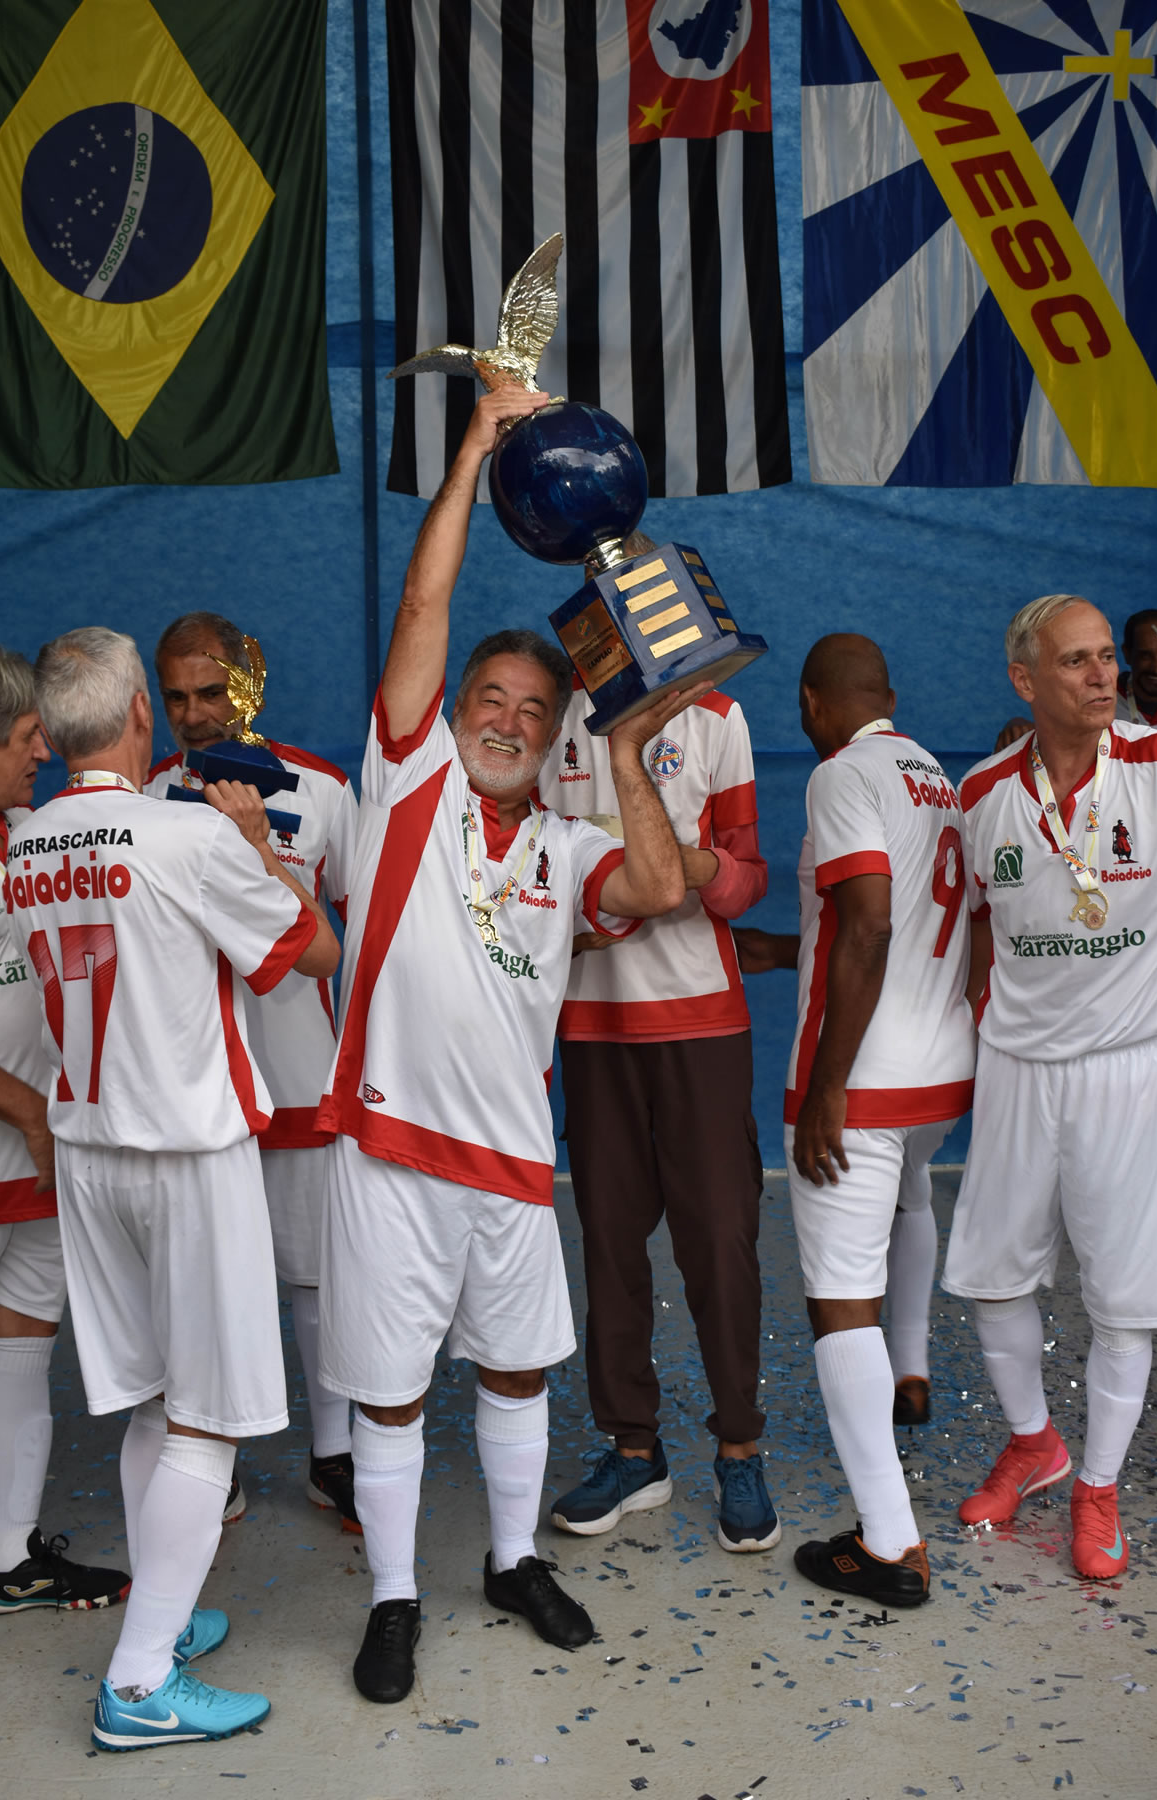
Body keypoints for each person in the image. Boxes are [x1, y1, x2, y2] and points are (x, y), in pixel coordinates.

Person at [315, 386, 697, 1705]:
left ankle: (515, 1560)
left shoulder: (568, 846)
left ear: (553, 733)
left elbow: (661, 889)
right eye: (492, 697)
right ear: (452, 709)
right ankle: (395, 1596)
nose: (510, 720)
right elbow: (423, 610)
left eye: (537, 710)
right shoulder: (407, 786)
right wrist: (477, 454)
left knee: (520, 1373)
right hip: (392, 1155)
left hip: (515, 1165)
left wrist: (628, 743)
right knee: (392, 1397)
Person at [6, 627, 338, 1749]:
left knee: (155, 1399)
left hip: (90, 1151)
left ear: (53, 731)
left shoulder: (26, 841)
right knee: (205, 1417)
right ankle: (139, 1684)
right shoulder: (190, 834)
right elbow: (316, 953)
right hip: (187, 1152)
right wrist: (257, 846)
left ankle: (165, 1616)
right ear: (141, 712)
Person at [735, 635, 975, 1608]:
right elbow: (891, 925)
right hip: (939, 1071)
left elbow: (871, 922)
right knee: (911, 1201)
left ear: (810, 702)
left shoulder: (841, 774)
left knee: (838, 1300)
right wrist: (783, 949)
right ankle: (910, 1371)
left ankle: (888, 1543)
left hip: (865, 1082)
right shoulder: (934, 777)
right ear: (889, 695)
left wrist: (828, 1084)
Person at [943, 593, 1157, 1581]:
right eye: (1077, 660)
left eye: (1107, 656)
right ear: (1024, 679)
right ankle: (1035, 1444)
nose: (1103, 674)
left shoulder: (1152, 765)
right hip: (1018, 1067)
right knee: (993, 1275)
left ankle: (1099, 1487)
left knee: (1124, 1298)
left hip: (1127, 1066)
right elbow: (973, 934)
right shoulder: (982, 792)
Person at [539, 678, 775, 1552]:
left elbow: (747, 880)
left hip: (701, 1022)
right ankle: (633, 1448)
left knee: (719, 1240)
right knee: (608, 1242)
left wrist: (694, 868)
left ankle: (739, 1447)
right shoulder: (548, 715)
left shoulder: (715, 715)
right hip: (590, 1023)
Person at [145, 612, 361, 1534]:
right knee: (198, 1288)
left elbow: (361, 940)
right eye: (176, 697)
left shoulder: (324, 790)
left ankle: (333, 1455)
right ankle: (212, 1461)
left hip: (302, 1071)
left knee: (316, 1277)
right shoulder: (144, 799)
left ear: (249, 683)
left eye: (210, 691)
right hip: (193, 1088)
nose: (194, 714)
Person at [0, 645, 132, 1618]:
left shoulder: (26, 837)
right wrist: (30, 1111)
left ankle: (9, 1558)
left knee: (25, 1336)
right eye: (28, 738)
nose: (42, 752)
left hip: (44, 1152)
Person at [995, 605, 1157, 748]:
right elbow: (1055, 730)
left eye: (1107, 657)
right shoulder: (1098, 695)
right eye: (1145, 656)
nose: (1156, 668)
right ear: (1127, 653)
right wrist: (1021, 728)